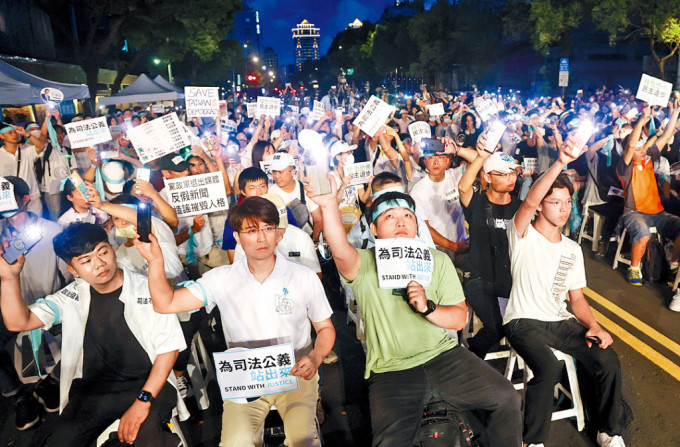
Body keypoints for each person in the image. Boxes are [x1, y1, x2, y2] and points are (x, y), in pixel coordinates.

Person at [309, 176, 522, 447]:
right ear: (373, 228)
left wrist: (428, 307)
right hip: (391, 371)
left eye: (408, 215)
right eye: (389, 216)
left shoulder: (438, 260)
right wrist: (329, 207)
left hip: (445, 357)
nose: (401, 222)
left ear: (417, 224)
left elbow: (457, 318)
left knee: (507, 398)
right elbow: (339, 251)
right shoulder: (364, 263)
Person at [135, 196, 335, 446]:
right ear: (238, 237)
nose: (261, 238)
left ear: (278, 234)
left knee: (303, 440)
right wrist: (155, 261)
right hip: (244, 379)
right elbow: (166, 304)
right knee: (235, 443)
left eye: (267, 228)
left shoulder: (303, 277)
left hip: (295, 373)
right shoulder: (221, 279)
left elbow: (325, 328)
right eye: (251, 231)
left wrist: (315, 357)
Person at [0, 222, 185, 446]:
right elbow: (19, 322)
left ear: (112, 249)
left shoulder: (148, 288)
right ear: (73, 270)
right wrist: (9, 278)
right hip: (94, 391)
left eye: (103, 252)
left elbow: (169, 350)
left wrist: (143, 400)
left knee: (147, 440)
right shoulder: (72, 296)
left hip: (148, 385)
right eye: (86, 261)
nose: (99, 264)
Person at [503, 137, 627, 447]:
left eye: (567, 201)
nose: (562, 208)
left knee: (607, 358)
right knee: (548, 368)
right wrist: (561, 162)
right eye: (555, 201)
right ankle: (533, 442)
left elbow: (577, 299)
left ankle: (608, 432)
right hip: (524, 321)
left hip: (560, 321)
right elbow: (529, 202)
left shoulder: (572, 249)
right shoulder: (522, 234)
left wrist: (595, 326)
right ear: (542, 204)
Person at [458, 143, 521, 358]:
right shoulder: (477, 203)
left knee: (517, 324)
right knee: (496, 327)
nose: (510, 178)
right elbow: (463, 187)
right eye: (503, 174)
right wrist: (480, 157)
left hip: (509, 279)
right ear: (487, 177)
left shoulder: (521, 208)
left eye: (513, 172)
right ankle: (471, 355)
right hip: (477, 278)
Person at [269, 152, 323, 242]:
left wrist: (314, 241)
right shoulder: (271, 194)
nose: (276, 176)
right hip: (284, 242)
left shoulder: (305, 189)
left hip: (308, 238)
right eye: (274, 171)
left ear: (293, 172)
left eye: (281, 172)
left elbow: (318, 219)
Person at [0, 124, 44, 215]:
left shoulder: (26, 150)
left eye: (15, 132)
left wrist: (26, 133)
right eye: (10, 133)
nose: (14, 135)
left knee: (36, 222)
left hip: (32, 196)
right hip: (10, 199)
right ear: (1, 136)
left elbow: (41, 146)